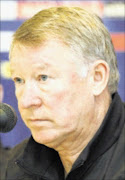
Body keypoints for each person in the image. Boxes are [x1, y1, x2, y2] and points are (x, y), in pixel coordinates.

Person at [4, 7, 124, 180]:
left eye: (43, 78)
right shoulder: (15, 167)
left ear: (97, 77)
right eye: (19, 80)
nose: (26, 101)